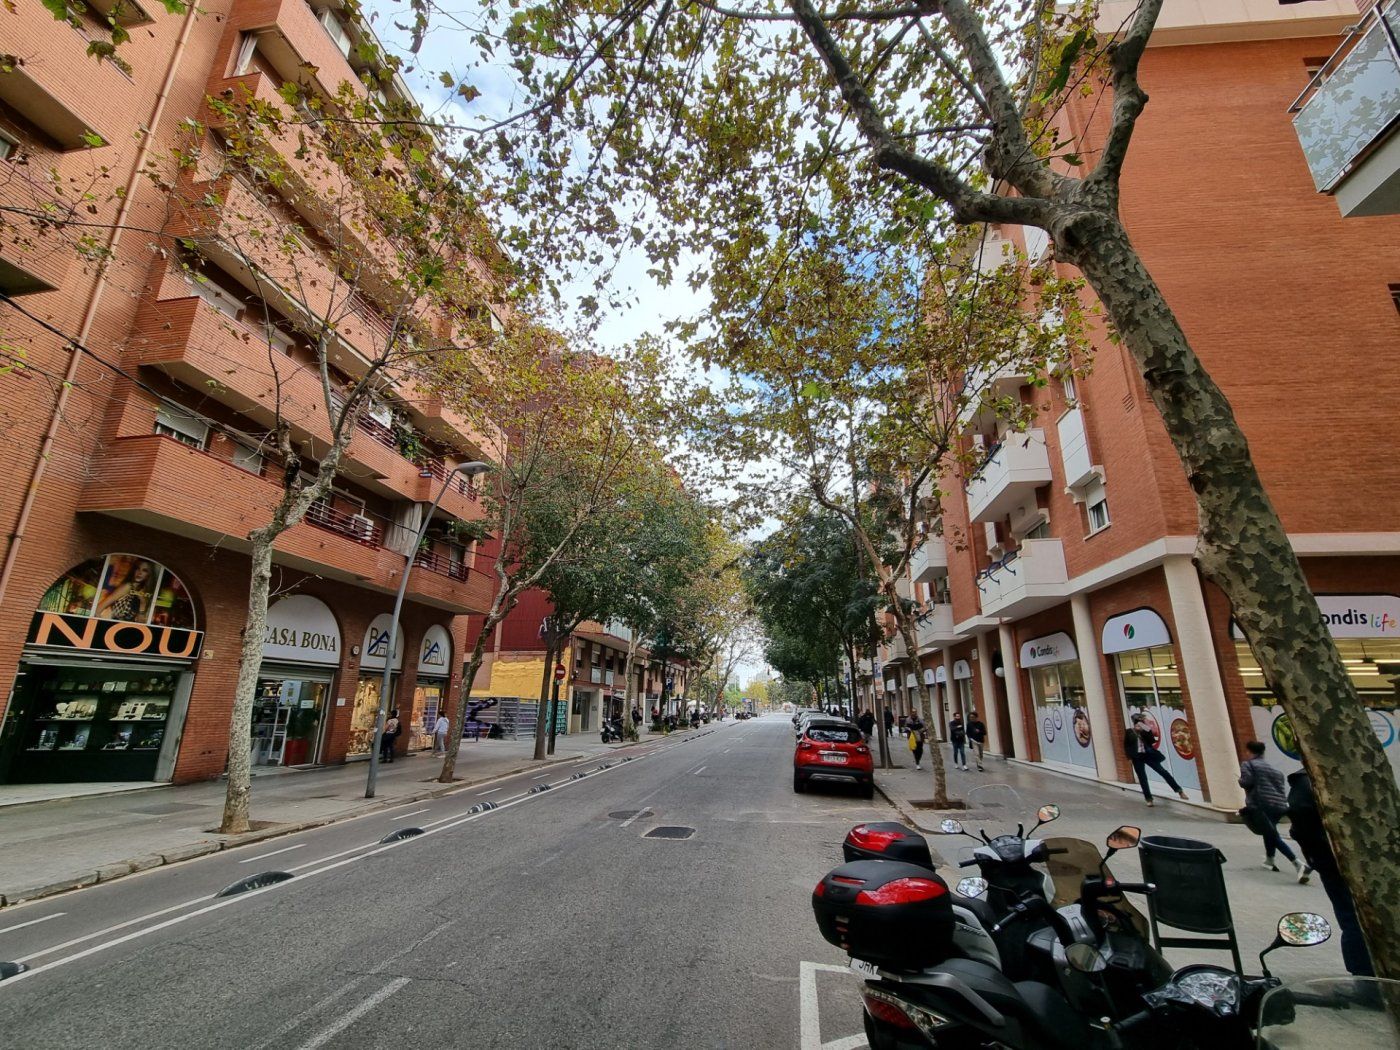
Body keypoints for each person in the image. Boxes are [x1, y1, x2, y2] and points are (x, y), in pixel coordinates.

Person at [1287, 769, 1370, 975]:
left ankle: (1363, 974)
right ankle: (1363, 973)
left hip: (1336, 860)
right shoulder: (1319, 780)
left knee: (1351, 917)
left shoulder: (1308, 782)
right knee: (1354, 917)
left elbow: (1299, 819)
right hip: (1344, 859)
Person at [1239, 741, 1303, 875]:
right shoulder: (1275, 770)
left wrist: (1241, 781)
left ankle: (1297, 863)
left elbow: (1247, 782)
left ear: (1249, 751)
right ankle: (1270, 860)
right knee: (1269, 831)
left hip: (1261, 804)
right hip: (1279, 806)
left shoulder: (1248, 764)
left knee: (1272, 834)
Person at [1123, 712, 1188, 806]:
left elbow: (1152, 741)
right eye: (1138, 721)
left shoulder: (1146, 729)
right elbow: (1126, 745)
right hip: (1137, 757)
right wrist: (1129, 757)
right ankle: (1149, 799)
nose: (1139, 723)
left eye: (1141, 721)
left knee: (1163, 771)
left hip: (1148, 755)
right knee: (1142, 778)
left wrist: (1144, 730)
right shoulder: (1129, 732)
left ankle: (1179, 791)